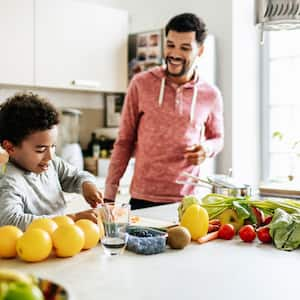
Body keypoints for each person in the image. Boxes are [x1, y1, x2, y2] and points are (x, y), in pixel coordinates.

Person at [105, 13, 224, 209]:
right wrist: (109, 196)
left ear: (200, 51)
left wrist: (206, 150)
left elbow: (217, 138)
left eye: (185, 48)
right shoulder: (141, 84)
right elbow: (124, 142)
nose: (174, 54)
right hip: (142, 198)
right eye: (170, 45)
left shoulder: (210, 94)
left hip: (187, 201)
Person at [0, 92, 103, 230]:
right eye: (41, 149)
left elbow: (76, 176)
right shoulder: (8, 181)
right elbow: (10, 221)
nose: (50, 156)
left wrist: (87, 184)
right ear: (10, 147)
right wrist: (72, 219)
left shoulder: (52, 163)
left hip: (61, 242)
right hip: (32, 250)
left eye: (53, 146)